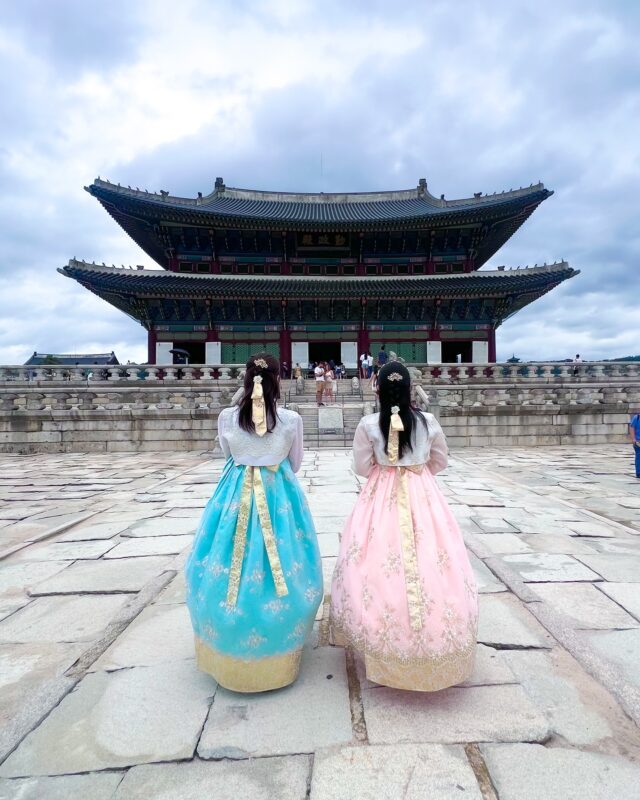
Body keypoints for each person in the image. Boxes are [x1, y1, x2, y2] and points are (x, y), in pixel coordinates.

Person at [330, 361, 478, 691]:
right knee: (433, 560)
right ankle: (436, 636)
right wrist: (418, 472)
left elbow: (361, 465)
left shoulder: (369, 424)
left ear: (377, 389)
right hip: (422, 493)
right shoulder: (428, 422)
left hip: (381, 494)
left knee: (376, 561)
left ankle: (381, 637)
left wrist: (385, 472)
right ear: (410, 389)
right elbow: (440, 460)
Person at [185, 353, 322, 692]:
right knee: (284, 561)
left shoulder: (227, 417)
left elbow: (227, 455)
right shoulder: (290, 420)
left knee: (229, 558)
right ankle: (279, 644)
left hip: (234, 496)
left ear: (246, 379)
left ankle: (227, 641)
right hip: (279, 497)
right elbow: (296, 463)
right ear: (279, 380)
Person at [629, 409, 640, 479]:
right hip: (638, 441)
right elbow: (632, 428)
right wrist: (633, 439)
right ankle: (639, 473)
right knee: (639, 456)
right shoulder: (637, 418)